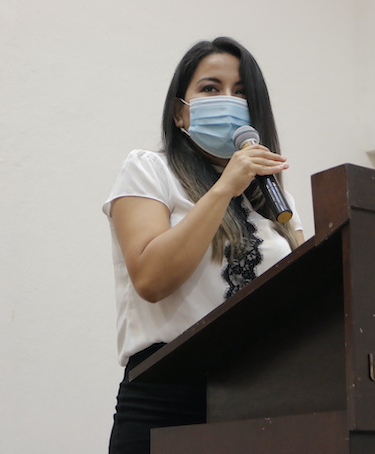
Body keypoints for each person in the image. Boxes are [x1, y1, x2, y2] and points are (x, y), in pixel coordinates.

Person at [102, 37, 304, 454]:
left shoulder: (274, 198)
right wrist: (225, 187)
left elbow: (307, 289)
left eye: (242, 93)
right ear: (180, 111)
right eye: (211, 88)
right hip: (168, 395)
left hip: (262, 397)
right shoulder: (149, 169)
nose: (229, 101)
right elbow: (152, 279)